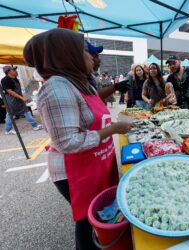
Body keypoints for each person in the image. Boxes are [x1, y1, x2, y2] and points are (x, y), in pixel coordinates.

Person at [23, 28, 132, 250]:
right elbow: (68, 142)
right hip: (75, 169)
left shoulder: (78, 81)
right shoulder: (56, 87)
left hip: (94, 161)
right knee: (85, 219)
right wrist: (113, 129)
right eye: (84, 50)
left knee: (96, 215)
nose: (91, 57)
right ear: (67, 55)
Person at [1, 65, 42, 135]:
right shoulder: (5, 80)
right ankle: (8, 130)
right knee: (10, 115)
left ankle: (34, 126)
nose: (16, 71)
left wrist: (25, 97)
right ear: (8, 72)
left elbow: (18, 91)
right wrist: (22, 98)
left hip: (18, 100)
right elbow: (10, 91)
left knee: (26, 111)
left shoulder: (15, 79)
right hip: (12, 101)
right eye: (13, 70)